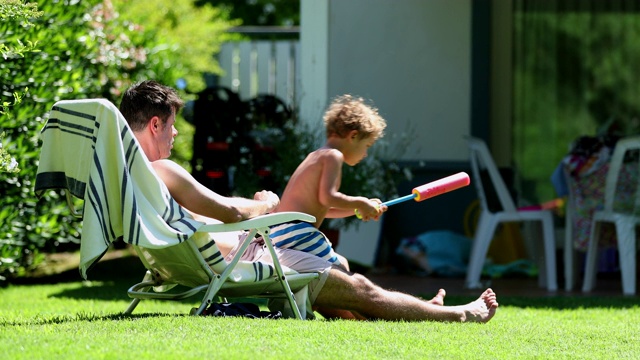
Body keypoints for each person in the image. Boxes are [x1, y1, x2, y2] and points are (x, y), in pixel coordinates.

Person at [119, 80, 498, 323]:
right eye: (172, 125)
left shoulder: (133, 180)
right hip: (254, 252)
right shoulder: (162, 170)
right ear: (155, 125)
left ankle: (417, 312)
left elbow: (211, 216)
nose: (175, 133)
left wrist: (251, 211)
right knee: (359, 285)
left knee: (347, 279)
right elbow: (231, 211)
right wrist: (263, 205)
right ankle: (454, 314)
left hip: (225, 253)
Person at [270, 94, 387, 268]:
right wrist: (361, 201)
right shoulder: (333, 156)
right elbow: (328, 197)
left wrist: (359, 208)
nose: (366, 154)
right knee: (341, 270)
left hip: (280, 232)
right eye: (367, 146)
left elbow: (325, 208)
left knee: (331, 270)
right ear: (353, 136)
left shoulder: (316, 156)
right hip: (298, 232)